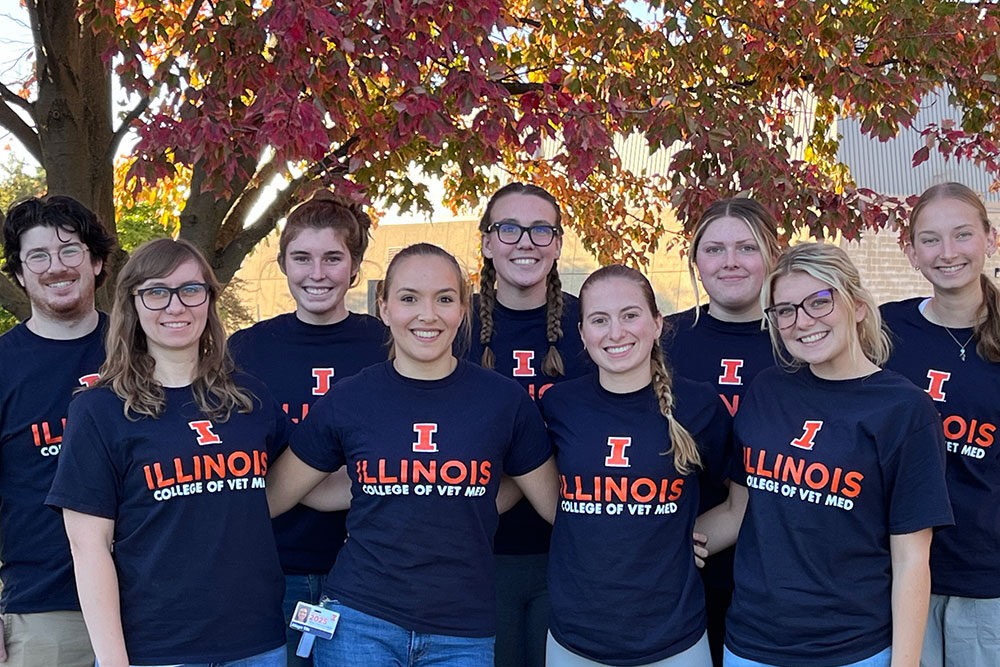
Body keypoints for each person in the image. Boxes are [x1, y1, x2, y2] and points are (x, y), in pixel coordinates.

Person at [267, 242, 559, 667]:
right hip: (359, 619)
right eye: (408, 299)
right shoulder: (350, 398)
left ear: (463, 309)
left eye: (444, 298)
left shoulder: (503, 401)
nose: (428, 314)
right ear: (383, 307)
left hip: (462, 629)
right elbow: (278, 492)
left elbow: (555, 502)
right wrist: (377, 490)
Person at [697, 243, 953, 667]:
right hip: (750, 645)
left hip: (853, 650)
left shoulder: (904, 410)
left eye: (819, 301)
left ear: (855, 305)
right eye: (786, 310)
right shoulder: (766, 391)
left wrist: (905, 663)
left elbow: (911, 559)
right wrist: (661, 540)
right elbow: (739, 509)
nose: (803, 322)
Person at [46, 238, 287, 667]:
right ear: (133, 304)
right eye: (157, 292)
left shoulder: (249, 399)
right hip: (155, 650)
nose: (176, 306)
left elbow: (286, 489)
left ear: (209, 300)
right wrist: (114, 662)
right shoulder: (99, 409)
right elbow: (88, 548)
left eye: (191, 290)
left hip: (257, 644)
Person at [541, 265, 730, 666]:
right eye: (599, 320)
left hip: (674, 640)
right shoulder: (560, 404)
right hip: (575, 639)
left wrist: (689, 538)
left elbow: (743, 500)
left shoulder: (699, 405)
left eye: (630, 315)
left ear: (657, 323)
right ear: (582, 333)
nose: (616, 332)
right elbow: (544, 495)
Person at [228, 192, 387, 666]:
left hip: (366, 572)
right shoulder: (246, 350)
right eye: (302, 258)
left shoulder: (387, 345)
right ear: (282, 263)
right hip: (272, 568)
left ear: (355, 266)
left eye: (333, 258)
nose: (317, 274)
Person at [468, 182, 590, 667]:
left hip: (570, 552)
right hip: (476, 554)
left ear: (558, 244)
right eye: (509, 228)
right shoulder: (453, 325)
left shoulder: (594, 324)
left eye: (541, 230)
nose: (525, 242)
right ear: (487, 242)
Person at [880, 182, 1000, 667]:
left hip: (985, 581)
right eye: (930, 239)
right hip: (897, 576)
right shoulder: (883, 331)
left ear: (990, 239)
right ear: (909, 252)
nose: (947, 253)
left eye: (963, 235)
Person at [662, 198, 780, 666]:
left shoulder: (801, 338)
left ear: (773, 254)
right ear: (695, 261)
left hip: (778, 569)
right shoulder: (660, 339)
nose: (730, 261)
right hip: (677, 564)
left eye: (746, 247)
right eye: (714, 249)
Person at [0, 195, 114, 667]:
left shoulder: (143, 353)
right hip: (45, 613)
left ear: (97, 261)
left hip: (154, 604)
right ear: (20, 274)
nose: (55, 267)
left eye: (70, 250)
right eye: (38, 256)